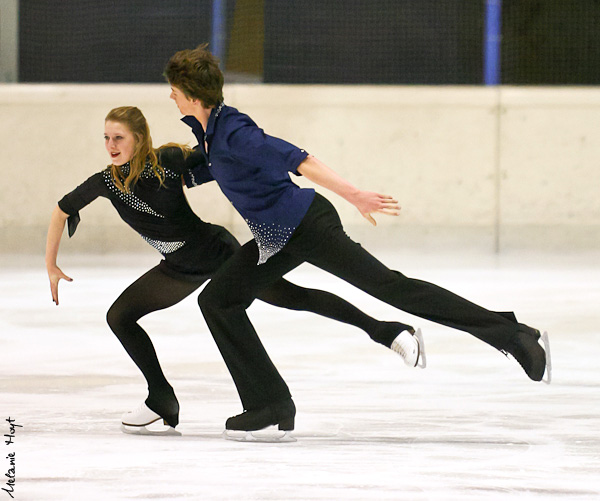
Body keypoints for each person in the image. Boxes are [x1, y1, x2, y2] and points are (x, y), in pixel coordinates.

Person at [163, 44, 552, 438]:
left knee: (392, 287)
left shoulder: (236, 132)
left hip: (307, 226)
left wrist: (355, 195)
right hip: (276, 236)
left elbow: (299, 159)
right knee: (218, 301)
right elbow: (215, 168)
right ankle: (268, 403)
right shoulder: (210, 134)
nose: (171, 96)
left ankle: (514, 335)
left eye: (175, 90)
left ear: (193, 96)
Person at [45, 106, 422, 436]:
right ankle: (161, 398)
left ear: (139, 138)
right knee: (121, 316)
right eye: (106, 137)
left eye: (119, 137)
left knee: (293, 297)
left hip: (218, 252)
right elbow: (62, 209)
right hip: (178, 267)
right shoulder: (106, 182)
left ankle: (387, 332)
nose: (111, 145)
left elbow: (225, 159)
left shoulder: (169, 161)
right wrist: (51, 265)